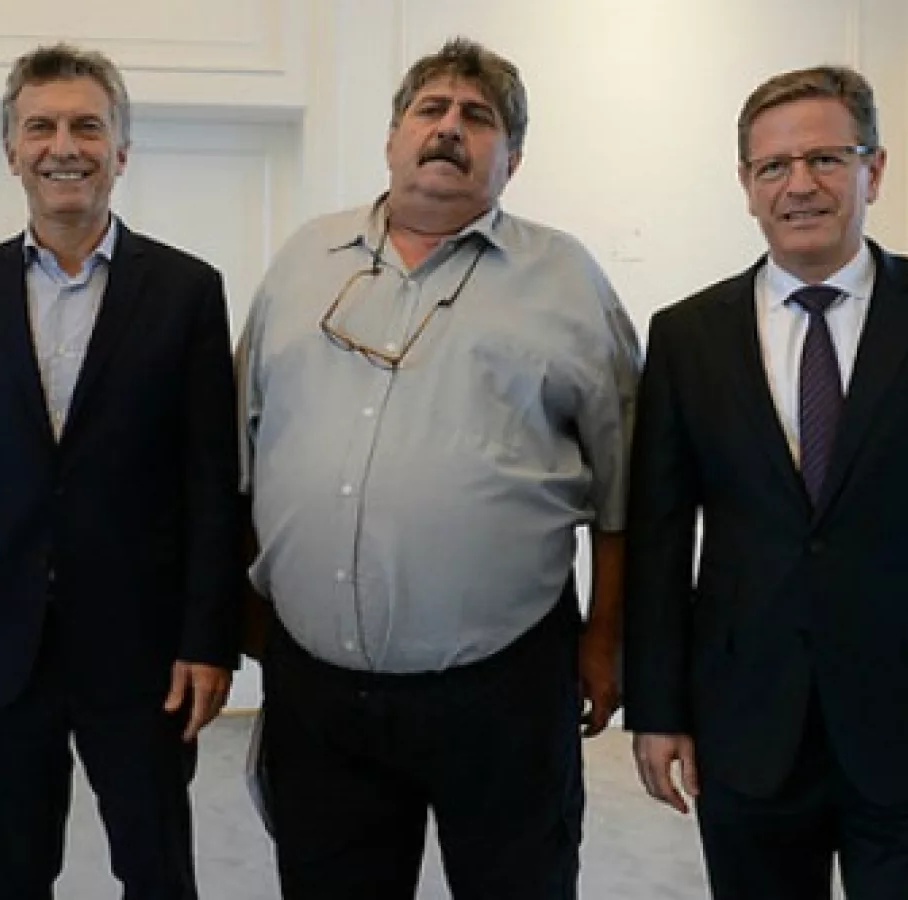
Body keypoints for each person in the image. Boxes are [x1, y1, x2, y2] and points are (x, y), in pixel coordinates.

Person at [624, 64, 908, 899]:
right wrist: (658, 708)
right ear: (747, 186)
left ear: (874, 169)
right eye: (774, 166)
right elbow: (658, 539)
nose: (800, 185)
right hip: (744, 726)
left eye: (826, 158)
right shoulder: (686, 336)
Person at [238, 36, 639, 900]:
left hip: (503, 686)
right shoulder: (304, 261)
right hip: (317, 687)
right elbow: (241, 444)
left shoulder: (565, 279)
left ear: (512, 158)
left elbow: (625, 487)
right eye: (431, 109)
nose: (450, 128)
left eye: (478, 117)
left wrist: (605, 639)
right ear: (392, 138)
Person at [0, 43, 242, 900]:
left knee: (157, 870)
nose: (64, 146)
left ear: (121, 150)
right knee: (6, 873)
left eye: (87, 126)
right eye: (40, 127)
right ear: (11, 150)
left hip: (142, 650)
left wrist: (207, 640)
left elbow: (210, 483)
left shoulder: (189, 290)